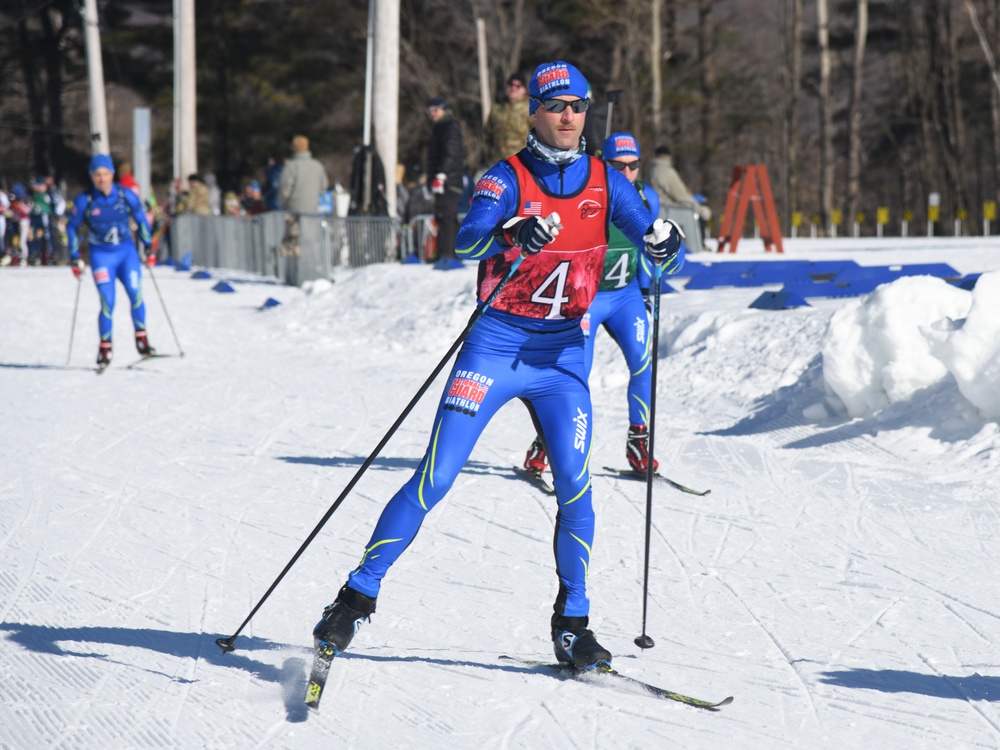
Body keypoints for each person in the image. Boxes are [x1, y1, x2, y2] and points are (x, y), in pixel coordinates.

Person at [312, 61, 683, 672]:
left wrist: (666, 242)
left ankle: (573, 626)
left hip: (562, 355)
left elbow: (652, 237)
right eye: (558, 105)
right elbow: (468, 238)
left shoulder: (606, 180)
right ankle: (355, 597)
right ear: (534, 111)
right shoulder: (504, 177)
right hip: (495, 347)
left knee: (577, 489)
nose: (569, 116)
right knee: (436, 476)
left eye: (579, 106)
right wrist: (513, 230)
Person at [523, 132, 664, 479]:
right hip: (587, 298)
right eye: (619, 166)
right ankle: (548, 441)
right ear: (603, 161)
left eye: (634, 166)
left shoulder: (648, 197)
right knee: (575, 375)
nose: (628, 173)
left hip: (625, 295)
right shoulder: (591, 193)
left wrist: (649, 290)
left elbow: (652, 248)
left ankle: (639, 439)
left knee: (643, 361)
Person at [66, 154, 156, 368]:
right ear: (92, 176)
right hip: (101, 256)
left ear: (112, 175)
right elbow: (72, 227)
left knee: (135, 293)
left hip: (127, 254)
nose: (102, 179)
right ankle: (105, 347)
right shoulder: (85, 200)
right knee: (108, 301)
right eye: (97, 175)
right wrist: (74, 257)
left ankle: (142, 339)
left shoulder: (126, 196)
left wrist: (148, 247)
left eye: (105, 174)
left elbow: (141, 219)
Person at [424, 97, 466, 266]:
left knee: (446, 216)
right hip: (442, 180)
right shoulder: (438, 128)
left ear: (443, 109)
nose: (432, 114)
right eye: (429, 111)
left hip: (448, 180)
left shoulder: (449, 127)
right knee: (443, 217)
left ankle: (448, 255)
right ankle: (449, 254)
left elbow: (452, 153)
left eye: (435, 110)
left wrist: (442, 174)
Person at [279, 135, 329, 257]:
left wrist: (284, 204)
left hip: (293, 212)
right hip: (312, 211)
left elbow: (284, 190)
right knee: (310, 242)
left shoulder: (291, 166)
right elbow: (324, 186)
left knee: (292, 243)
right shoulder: (317, 166)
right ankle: (311, 267)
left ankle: (294, 272)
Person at [645, 145, 711, 224]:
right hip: (668, 217)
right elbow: (681, 196)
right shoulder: (667, 172)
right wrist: (701, 210)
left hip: (652, 216)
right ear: (668, 157)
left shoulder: (649, 171)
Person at [482, 73, 532, 167]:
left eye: (518, 86)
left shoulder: (530, 110)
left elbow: (539, 135)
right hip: (498, 162)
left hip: (522, 164)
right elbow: (488, 135)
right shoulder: (497, 110)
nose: (513, 88)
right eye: (510, 84)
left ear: (524, 90)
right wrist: (488, 156)